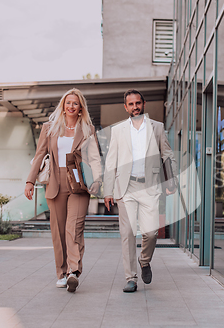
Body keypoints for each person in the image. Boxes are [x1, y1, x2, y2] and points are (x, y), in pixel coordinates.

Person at [24, 88, 101, 292]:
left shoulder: (88, 130)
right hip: (55, 182)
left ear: (80, 107)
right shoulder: (50, 128)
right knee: (58, 230)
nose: (71, 106)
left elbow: (94, 158)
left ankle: (73, 272)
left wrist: (98, 180)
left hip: (79, 182)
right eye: (68, 103)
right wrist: (30, 181)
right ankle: (61, 272)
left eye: (75, 103)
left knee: (74, 228)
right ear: (63, 105)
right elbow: (40, 154)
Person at [104, 89, 176, 293]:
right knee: (127, 233)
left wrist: (171, 181)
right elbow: (111, 163)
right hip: (125, 187)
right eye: (131, 104)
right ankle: (131, 278)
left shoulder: (157, 128)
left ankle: (144, 260)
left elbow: (167, 155)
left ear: (143, 103)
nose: (135, 107)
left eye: (138, 103)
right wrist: (108, 190)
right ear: (125, 107)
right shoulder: (118, 130)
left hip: (149, 186)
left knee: (151, 233)